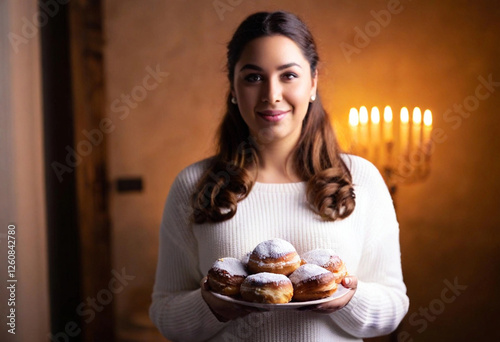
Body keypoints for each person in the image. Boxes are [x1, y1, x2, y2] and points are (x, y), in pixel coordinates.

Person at [149, 10, 409, 342]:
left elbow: (393, 306)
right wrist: (211, 307)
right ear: (233, 87)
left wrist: (348, 300)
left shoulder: (361, 179)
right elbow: (165, 313)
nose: (271, 94)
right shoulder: (194, 185)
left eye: (288, 76)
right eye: (253, 77)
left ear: (313, 83)